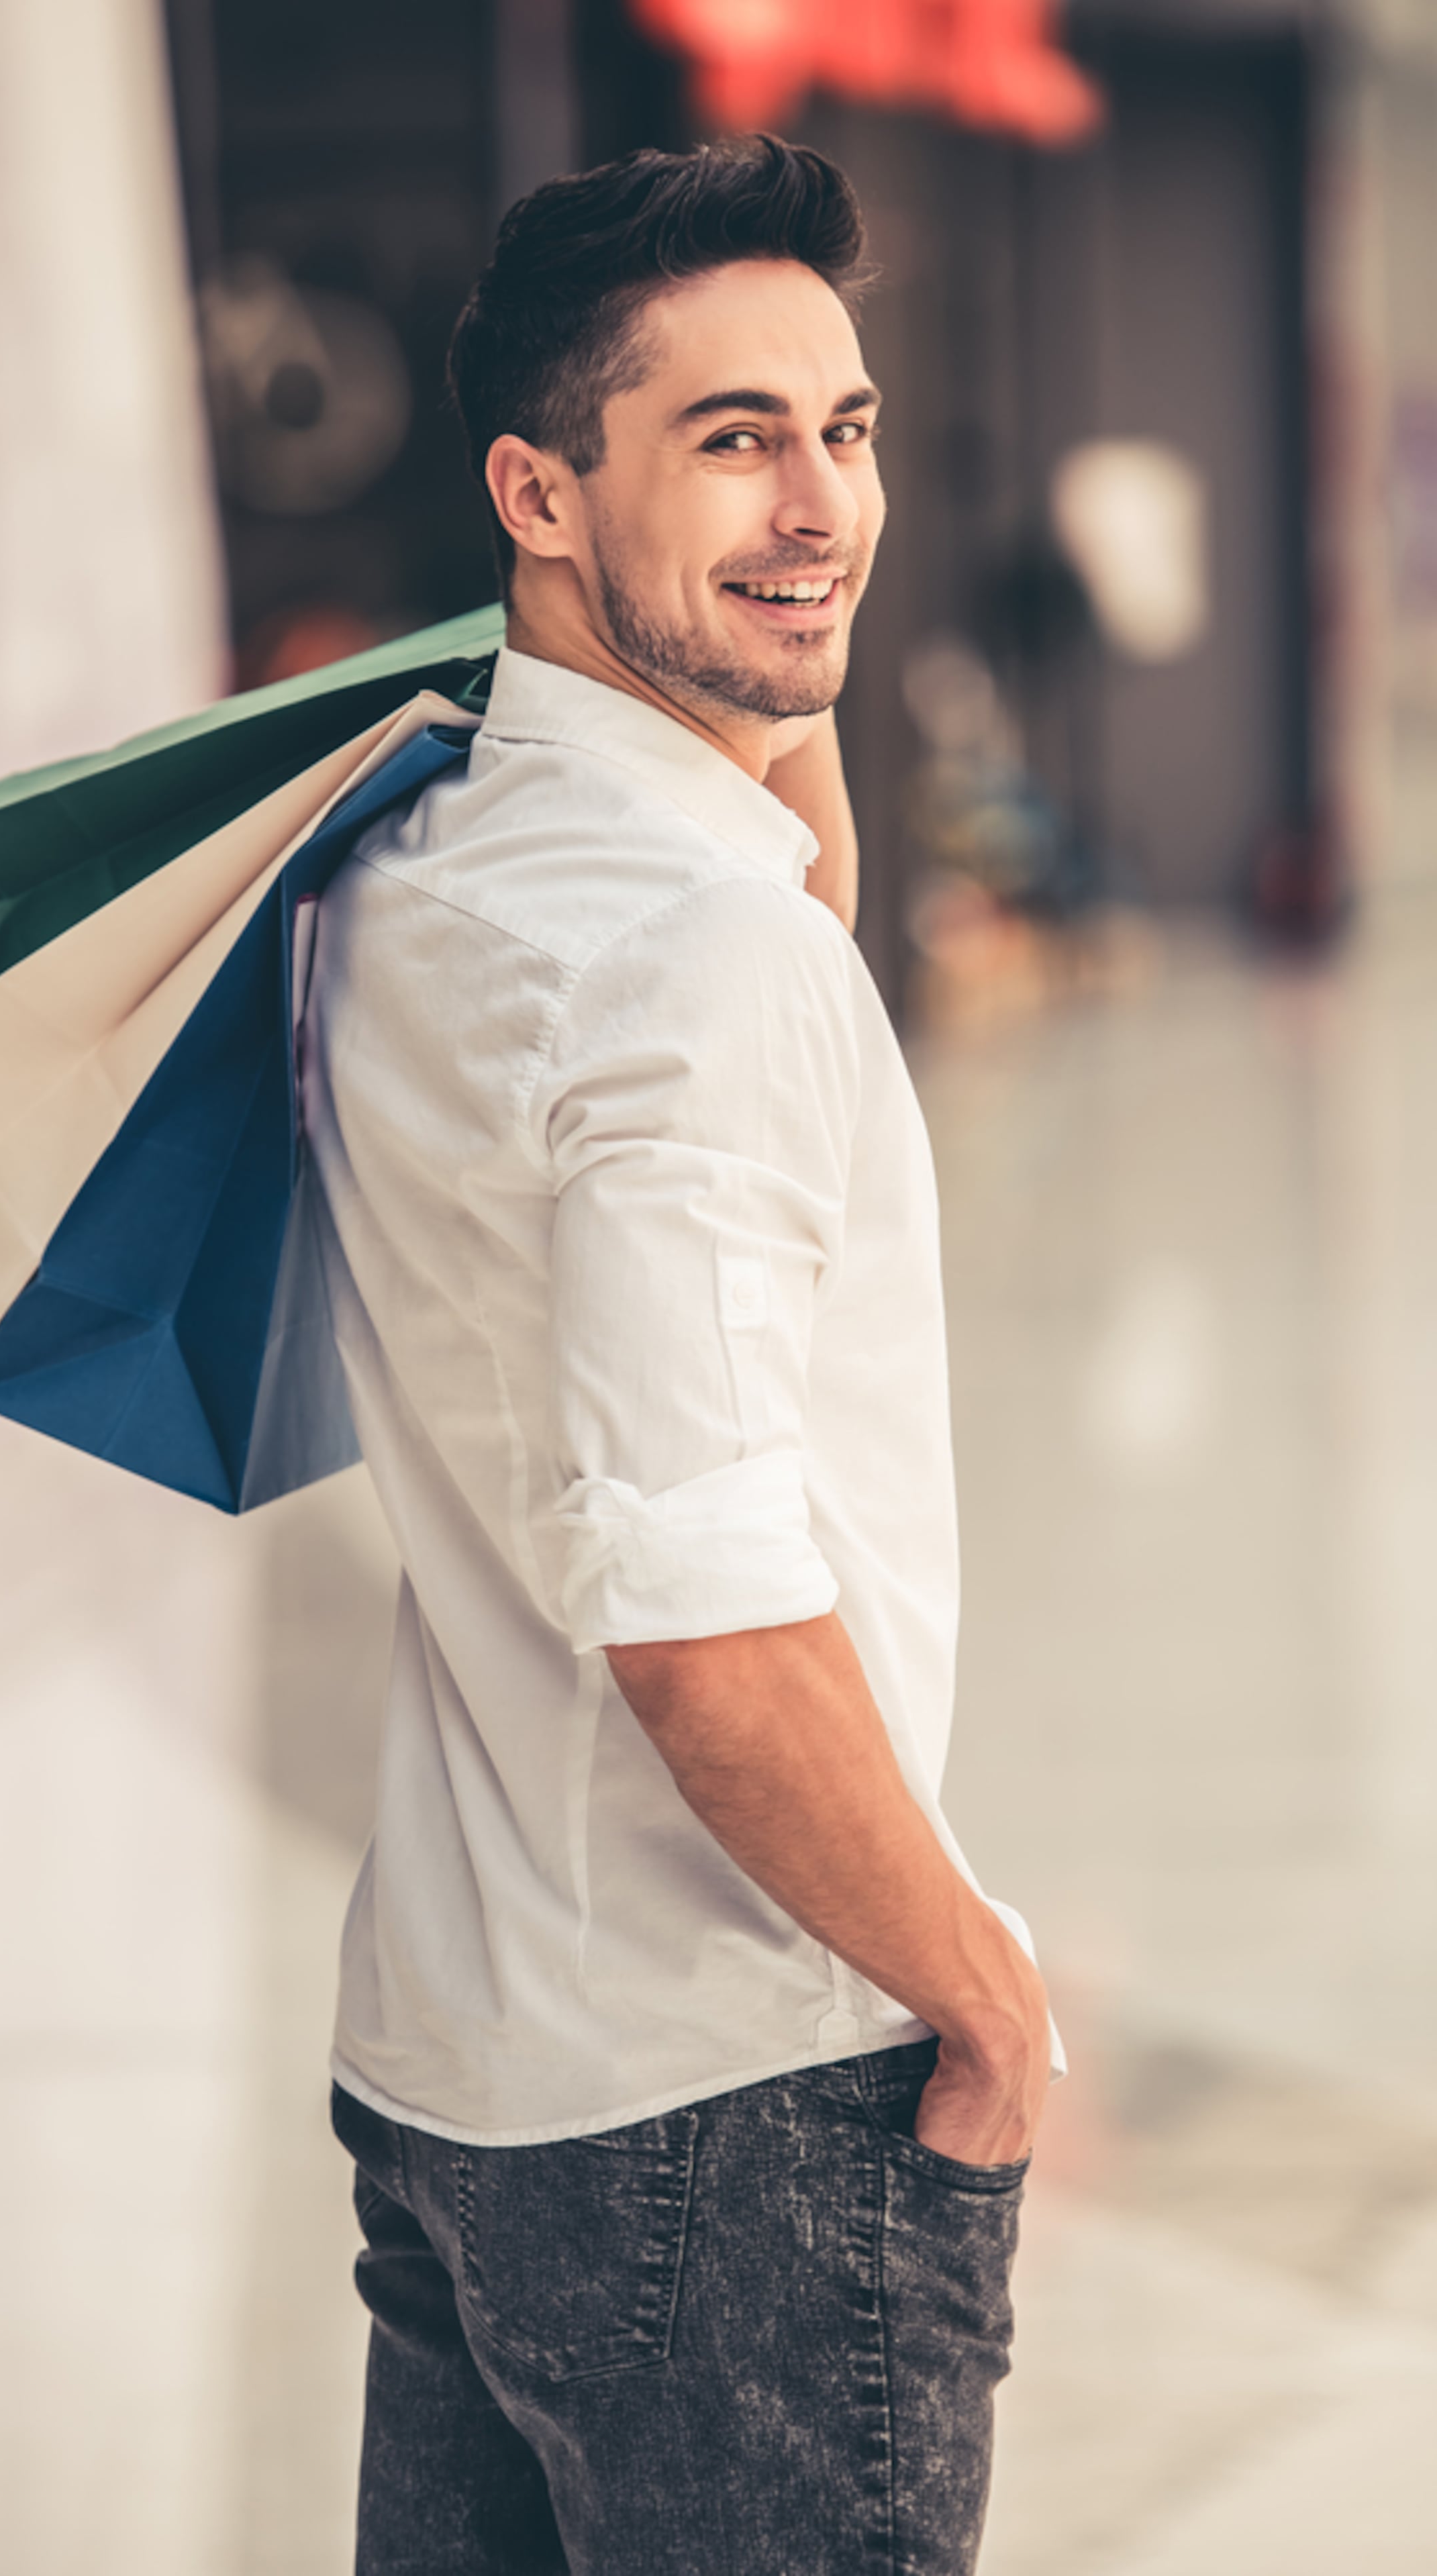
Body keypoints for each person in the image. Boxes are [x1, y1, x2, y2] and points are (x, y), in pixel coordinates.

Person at [306, 134, 1054, 2576]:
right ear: (537, 484)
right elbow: (709, 1627)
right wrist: (986, 2007)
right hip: (734, 2108)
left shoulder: (409, 871)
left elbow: (776, 889)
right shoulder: (699, 971)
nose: (823, 501)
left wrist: (745, 666)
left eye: (845, 428)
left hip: (460, 2065)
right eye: (730, 438)